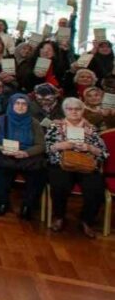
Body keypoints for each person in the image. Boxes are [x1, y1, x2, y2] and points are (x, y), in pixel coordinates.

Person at [44, 97, 110, 237]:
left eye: (77, 109)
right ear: (64, 111)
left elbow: (104, 154)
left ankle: (86, 221)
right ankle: (60, 217)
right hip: (62, 164)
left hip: (86, 165)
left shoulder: (91, 128)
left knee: (95, 189)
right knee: (59, 185)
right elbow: (47, 149)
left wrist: (90, 147)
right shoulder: (55, 127)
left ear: (83, 110)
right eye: (70, 109)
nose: (74, 112)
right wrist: (60, 146)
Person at [0, 93, 46, 219]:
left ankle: (27, 206)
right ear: (11, 105)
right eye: (17, 103)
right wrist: (0, 148)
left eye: (24, 104)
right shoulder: (0, 120)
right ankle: (2, 203)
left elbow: (41, 145)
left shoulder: (34, 123)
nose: (20, 107)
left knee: (37, 175)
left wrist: (26, 153)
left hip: (28, 155)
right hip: (7, 154)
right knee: (3, 173)